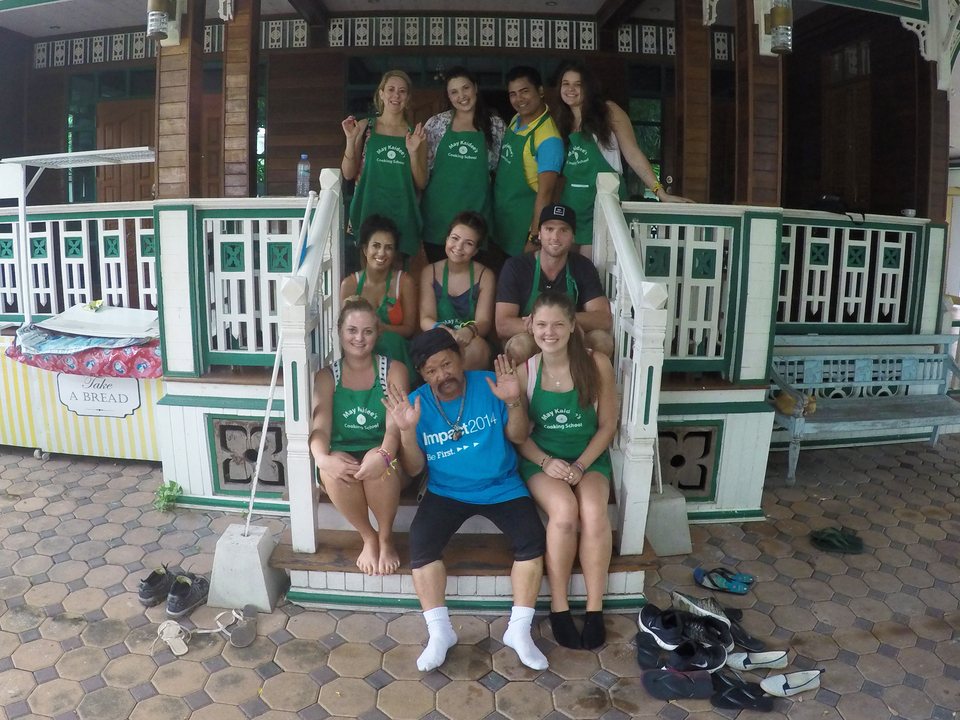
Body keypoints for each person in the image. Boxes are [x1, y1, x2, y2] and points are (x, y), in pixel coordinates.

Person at [382, 329, 548, 673]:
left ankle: (518, 630)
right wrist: (407, 431)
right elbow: (413, 468)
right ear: (423, 376)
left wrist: (513, 400)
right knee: (421, 541)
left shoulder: (491, 383)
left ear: (460, 357)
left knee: (532, 539)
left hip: (501, 484)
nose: (443, 375)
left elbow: (517, 436)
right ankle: (440, 632)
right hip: (447, 490)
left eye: (447, 363)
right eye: (431, 371)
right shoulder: (416, 404)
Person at [515, 292, 617, 650]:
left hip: (588, 459)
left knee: (593, 512)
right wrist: (546, 462)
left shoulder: (596, 363)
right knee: (563, 514)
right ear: (530, 326)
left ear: (574, 326)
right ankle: (559, 607)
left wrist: (580, 466)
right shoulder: (524, 371)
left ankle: (594, 608)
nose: (550, 331)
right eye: (541, 324)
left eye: (559, 323)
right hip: (542, 460)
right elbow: (518, 435)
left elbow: (607, 425)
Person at [309, 297, 410, 577]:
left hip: (382, 449)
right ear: (340, 332)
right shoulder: (327, 377)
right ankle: (368, 537)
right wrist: (321, 459)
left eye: (367, 331)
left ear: (377, 334)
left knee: (378, 464)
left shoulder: (393, 370)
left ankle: (386, 537)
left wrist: (386, 454)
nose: (359, 338)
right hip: (344, 451)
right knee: (332, 469)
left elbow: (394, 427)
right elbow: (320, 427)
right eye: (352, 330)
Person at [555, 61, 694, 258]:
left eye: (578, 84)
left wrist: (660, 192)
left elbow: (633, 153)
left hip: (601, 204)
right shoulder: (564, 121)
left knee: (590, 267)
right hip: (571, 206)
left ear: (589, 87)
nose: (571, 89)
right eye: (565, 83)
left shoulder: (608, 111)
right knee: (567, 268)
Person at [495, 204, 613, 366]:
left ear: (573, 236)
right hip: (529, 336)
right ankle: (522, 390)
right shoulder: (516, 266)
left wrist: (561, 322)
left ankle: (585, 390)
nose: (555, 237)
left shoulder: (582, 266)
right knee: (519, 347)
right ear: (539, 234)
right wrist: (543, 326)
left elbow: (603, 318)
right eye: (549, 229)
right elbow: (503, 324)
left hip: (570, 336)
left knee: (602, 341)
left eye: (563, 230)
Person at [421, 67, 505, 264]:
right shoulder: (435, 124)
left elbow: (501, 171)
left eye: (465, 88)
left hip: (476, 218)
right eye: (454, 92)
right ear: (449, 97)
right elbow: (422, 171)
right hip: (438, 218)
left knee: (473, 282)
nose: (462, 96)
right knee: (439, 279)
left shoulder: (496, 126)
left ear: (475, 88)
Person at [342, 69, 427, 262]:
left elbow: (421, 183)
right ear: (381, 93)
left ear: (408, 97)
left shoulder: (416, 134)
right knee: (369, 278)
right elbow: (348, 173)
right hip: (368, 211)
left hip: (402, 216)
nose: (396, 95)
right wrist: (350, 139)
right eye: (390, 89)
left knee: (397, 281)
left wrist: (413, 152)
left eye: (402, 91)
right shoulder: (364, 127)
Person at [493, 66, 563, 258]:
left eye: (525, 91)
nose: (519, 99)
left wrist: (534, 238)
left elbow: (546, 193)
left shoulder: (548, 139)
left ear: (540, 91)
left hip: (522, 228)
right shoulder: (516, 120)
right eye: (513, 94)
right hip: (502, 222)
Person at [340, 215, 418, 384]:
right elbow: (345, 329)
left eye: (389, 248)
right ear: (365, 249)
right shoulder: (350, 285)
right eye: (376, 246)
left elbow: (409, 329)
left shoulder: (405, 282)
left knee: (389, 339)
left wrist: (380, 328)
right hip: (362, 350)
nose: (382, 253)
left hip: (398, 353)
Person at [419, 211, 496, 372]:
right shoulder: (430, 272)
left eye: (468, 243)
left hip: (471, 340)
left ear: (475, 250)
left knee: (478, 347)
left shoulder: (485, 276)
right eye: (455, 238)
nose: (459, 247)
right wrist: (446, 332)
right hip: (438, 337)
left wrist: (469, 331)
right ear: (446, 239)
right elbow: (426, 318)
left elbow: (484, 322)